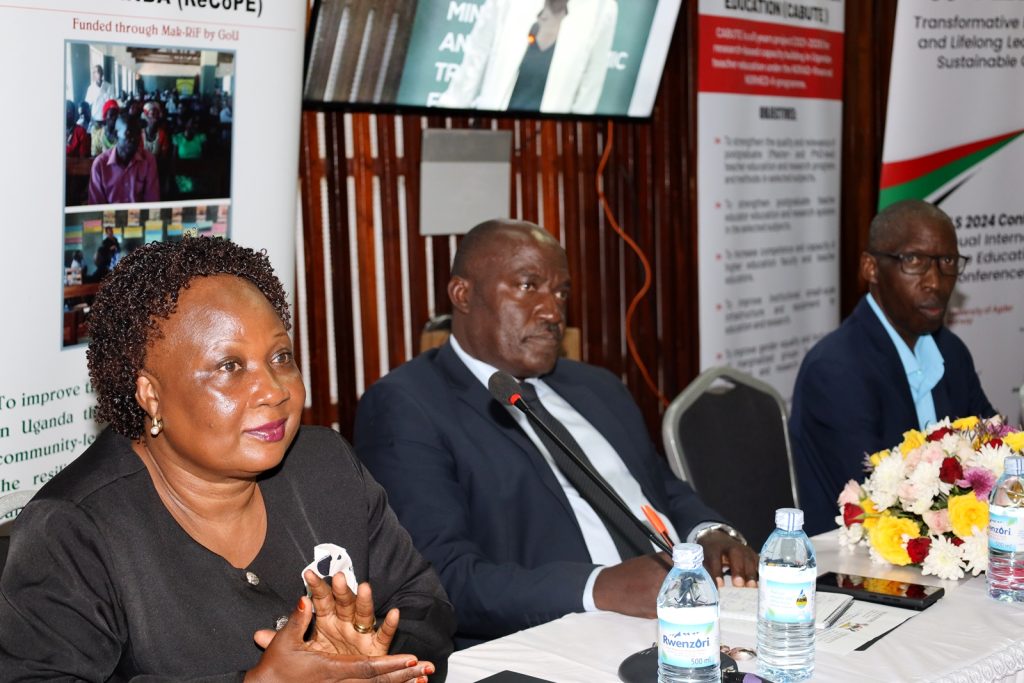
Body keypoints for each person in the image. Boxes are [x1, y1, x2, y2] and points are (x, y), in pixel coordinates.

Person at [0, 236, 455, 679]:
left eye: (281, 357)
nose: (275, 391)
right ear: (151, 395)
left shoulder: (325, 464)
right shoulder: (72, 532)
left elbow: (423, 603)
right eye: (229, 367)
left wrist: (375, 663)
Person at [354, 219, 757, 648]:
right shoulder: (408, 406)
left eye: (561, 292)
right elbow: (440, 579)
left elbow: (660, 487)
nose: (552, 311)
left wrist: (709, 532)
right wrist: (598, 587)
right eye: (528, 286)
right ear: (463, 294)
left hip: (696, 612)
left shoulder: (598, 387)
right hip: (563, 636)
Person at [789, 199, 996, 535]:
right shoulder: (836, 370)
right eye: (913, 260)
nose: (935, 281)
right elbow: (880, 500)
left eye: (946, 261)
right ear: (871, 268)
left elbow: (992, 448)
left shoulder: (951, 352)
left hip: (948, 548)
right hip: (856, 563)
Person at [437, 0, 618, 114]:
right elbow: (471, 70)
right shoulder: (506, 4)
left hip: (547, 148)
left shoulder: (603, 9)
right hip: (490, 137)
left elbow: (587, 97)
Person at [88, 117, 160, 205]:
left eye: (138, 134)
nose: (134, 139)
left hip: (139, 216)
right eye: (128, 134)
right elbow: (96, 205)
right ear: (116, 134)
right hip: (109, 217)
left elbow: (152, 201)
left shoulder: (148, 160)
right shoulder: (100, 164)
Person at [84, 64, 116, 133]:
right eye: (95, 72)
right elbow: (87, 104)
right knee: (96, 140)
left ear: (102, 73)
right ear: (93, 74)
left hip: (106, 119)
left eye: (99, 71)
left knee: (105, 140)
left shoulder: (109, 86)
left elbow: (112, 103)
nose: (98, 73)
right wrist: (90, 118)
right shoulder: (91, 88)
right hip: (95, 119)